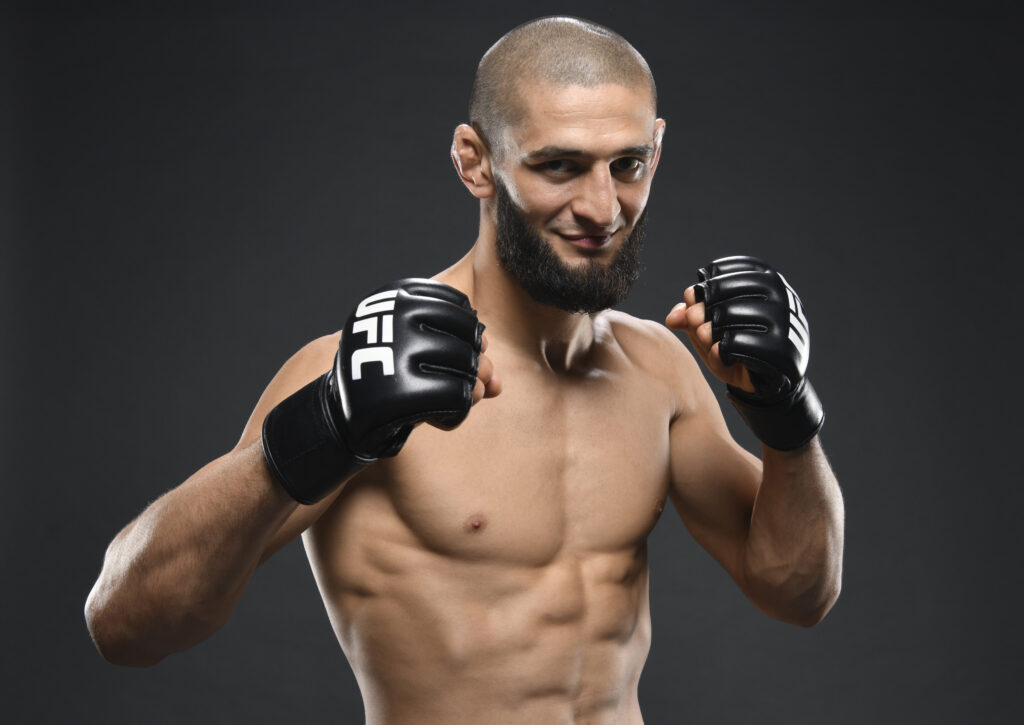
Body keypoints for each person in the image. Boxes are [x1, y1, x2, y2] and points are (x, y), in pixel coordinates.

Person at [85, 16, 844, 724]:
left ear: (657, 148)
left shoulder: (657, 369)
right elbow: (124, 624)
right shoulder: (360, 369)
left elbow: (798, 590)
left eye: (628, 164)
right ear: (474, 162)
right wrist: (325, 425)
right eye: (559, 166)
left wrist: (786, 416)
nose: (603, 206)